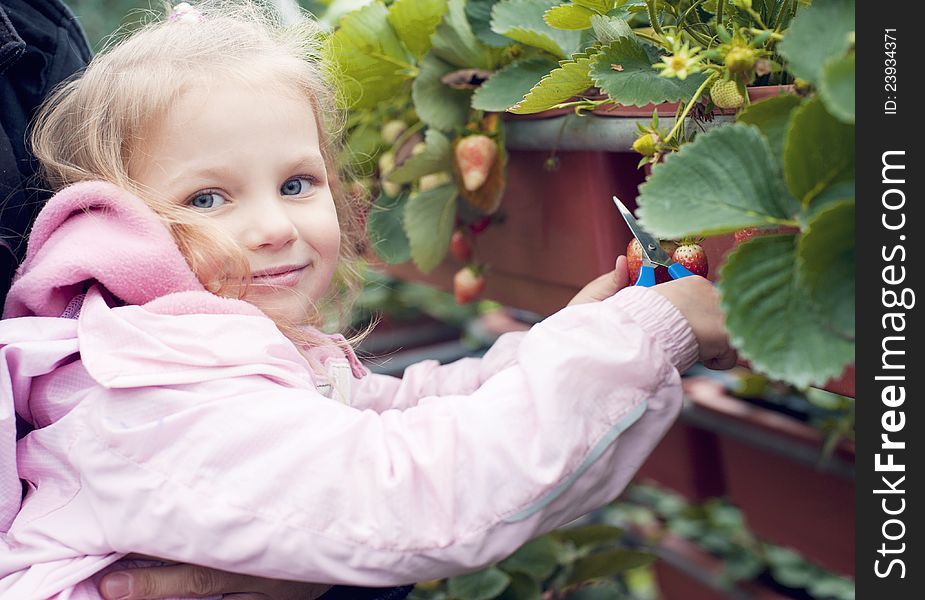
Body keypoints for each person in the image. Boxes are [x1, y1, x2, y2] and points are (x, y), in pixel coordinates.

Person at [0, 1, 735, 598]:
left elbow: (396, 412)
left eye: (295, 183)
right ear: (121, 224)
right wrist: (642, 335)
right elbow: (418, 496)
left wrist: (574, 339)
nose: (273, 227)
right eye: (207, 197)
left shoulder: (207, 345)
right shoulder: (151, 390)